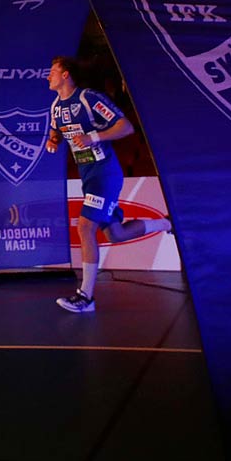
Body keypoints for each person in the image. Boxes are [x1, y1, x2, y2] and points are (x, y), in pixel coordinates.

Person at [45, 55, 168, 314]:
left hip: (105, 174)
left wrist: (94, 136)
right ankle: (167, 223)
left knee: (86, 227)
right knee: (116, 234)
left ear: (66, 74)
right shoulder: (56, 106)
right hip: (88, 176)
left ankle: (86, 297)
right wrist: (54, 141)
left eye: (53, 72)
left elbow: (126, 127)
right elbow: (57, 130)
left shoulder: (89, 98)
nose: (49, 76)